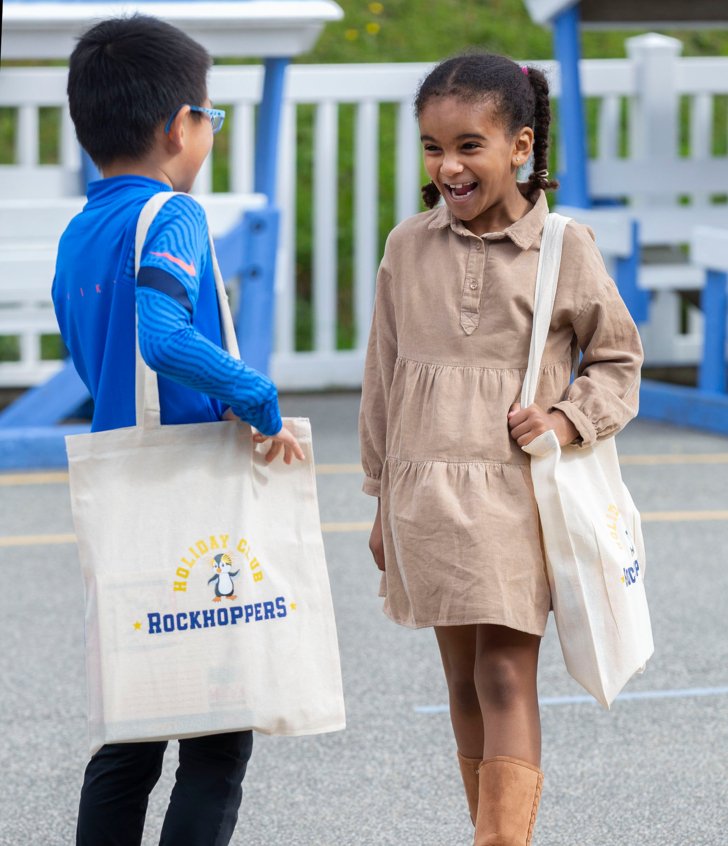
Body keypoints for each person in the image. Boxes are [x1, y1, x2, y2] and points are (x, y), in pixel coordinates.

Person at [359, 52, 643, 846]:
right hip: (424, 495)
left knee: (503, 671)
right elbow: (383, 374)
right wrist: (380, 498)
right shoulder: (407, 247)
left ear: (520, 146)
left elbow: (618, 358)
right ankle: (488, 828)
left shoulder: (563, 246)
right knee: (459, 679)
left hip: (516, 497)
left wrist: (566, 419)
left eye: (469, 145)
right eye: (431, 146)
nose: (448, 165)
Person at [52, 15, 303, 846]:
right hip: (190, 504)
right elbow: (162, 337)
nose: (210, 135)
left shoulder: (80, 232)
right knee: (216, 741)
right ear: (176, 126)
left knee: (129, 737)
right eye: (210, 118)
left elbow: (106, 363)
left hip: (124, 498)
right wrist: (255, 397)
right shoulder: (174, 215)